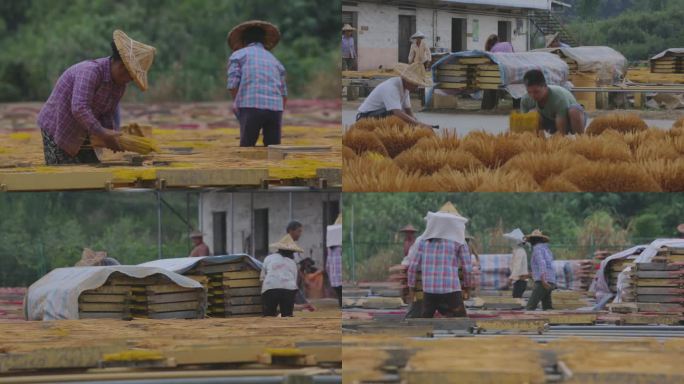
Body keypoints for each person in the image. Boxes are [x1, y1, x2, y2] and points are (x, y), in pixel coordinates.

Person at [38, 30, 156, 165]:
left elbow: (106, 113)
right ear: (123, 67)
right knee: (65, 173)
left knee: (92, 168)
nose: (129, 81)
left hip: (84, 128)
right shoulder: (90, 72)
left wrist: (112, 138)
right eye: (131, 77)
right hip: (58, 126)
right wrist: (103, 133)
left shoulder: (119, 85)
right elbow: (79, 108)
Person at [407, 202, 473, 318]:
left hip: (429, 291)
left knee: (425, 324)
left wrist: (412, 288)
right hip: (451, 290)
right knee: (461, 323)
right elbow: (467, 268)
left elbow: (412, 267)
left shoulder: (422, 241)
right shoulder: (459, 241)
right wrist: (467, 286)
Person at [227, 20, 287, 147]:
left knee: (247, 148)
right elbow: (284, 93)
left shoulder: (238, 55)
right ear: (264, 42)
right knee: (274, 150)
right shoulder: (275, 60)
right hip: (275, 108)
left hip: (251, 105)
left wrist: (237, 104)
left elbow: (233, 85)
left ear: (244, 42)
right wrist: (278, 112)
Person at [356, 62, 433, 128]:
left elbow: (408, 111)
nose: (417, 87)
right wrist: (419, 124)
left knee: (406, 117)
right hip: (365, 117)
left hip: (379, 114)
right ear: (408, 80)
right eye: (416, 84)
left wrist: (418, 124)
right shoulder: (391, 87)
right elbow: (397, 112)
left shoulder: (406, 89)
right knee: (395, 114)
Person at [521, 69, 587, 136]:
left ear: (545, 86)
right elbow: (524, 127)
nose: (532, 96)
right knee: (532, 115)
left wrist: (558, 139)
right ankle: (539, 141)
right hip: (550, 123)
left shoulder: (558, 97)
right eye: (529, 92)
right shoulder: (525, 100)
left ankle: (580, 139)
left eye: (536, 92)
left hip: (571, 122)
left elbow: (561, 132)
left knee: (574, 111)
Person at [260, 234, 302, 317]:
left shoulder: (269, 258)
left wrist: (264, 294)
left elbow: (262, 278)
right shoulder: (292, 263)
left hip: (270, 288)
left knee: (269, 315)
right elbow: (294, 281)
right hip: (289, 290)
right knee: (287, 316)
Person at [285, 220, 316, 311]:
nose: (300, 234)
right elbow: (293, 265)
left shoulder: (293, 245)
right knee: (304, 306)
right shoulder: (288, 246)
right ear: (291, 231)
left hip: (292, 281)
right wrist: (302, 278)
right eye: (298, 231)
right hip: (289, 281)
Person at [524, 229, 556, 311]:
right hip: (550, 279)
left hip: (543, 282)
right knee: (547, 306)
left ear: (532, 240)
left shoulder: (537, 249)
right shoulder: (546, 249)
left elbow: (542, 264)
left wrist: (543, 280)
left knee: (530, 307)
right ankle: (551, 322)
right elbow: (548, 264)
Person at [504, 228, 529, 299]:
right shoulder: (517, 251)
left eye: (512, 240)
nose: (510, 242)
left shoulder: (520, 251)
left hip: (521, 280)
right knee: (516, 298)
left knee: (516, 300)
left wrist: (511, 278)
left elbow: (517, 266)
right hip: (518, 280)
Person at [326, 214, 343, 307]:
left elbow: (327, 265)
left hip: (334, 279)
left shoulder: (330, 247)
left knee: (340, 297)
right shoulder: (341, 247)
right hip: (341, 278)